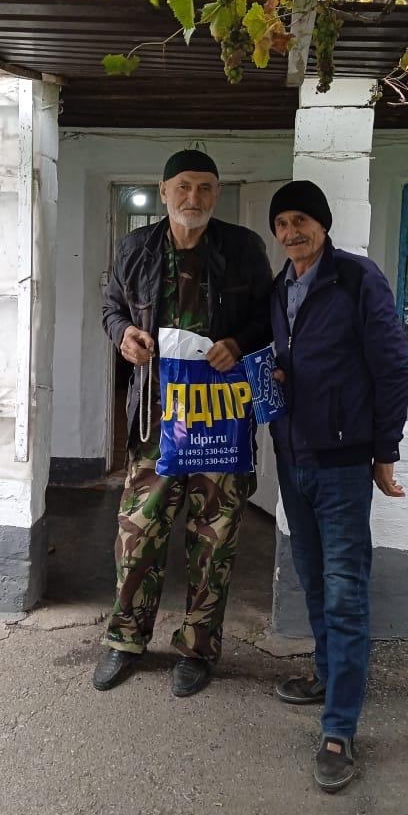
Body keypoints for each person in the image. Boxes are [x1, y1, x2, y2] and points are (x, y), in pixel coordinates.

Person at [95, 149, 273, 698]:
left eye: (205, 187)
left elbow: (271, 318)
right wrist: (123, 335)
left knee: (213, 540)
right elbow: (111, 308)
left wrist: (238, 343)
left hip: (220, 419)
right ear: (164, 190)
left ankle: (197, 649)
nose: (193, 197)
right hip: (156, 419)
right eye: (183, 186)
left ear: (216, 193)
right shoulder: (136, 248)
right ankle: (126, 639)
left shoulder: (243, 249)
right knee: (138, 534)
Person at [268, 180, 408, 793]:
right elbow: (291, 360)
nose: (291, 232)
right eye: (282, 223)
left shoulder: (357, 279)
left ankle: (339, 729)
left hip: (344, 464)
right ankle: (329, 679)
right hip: (293, 459)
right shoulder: (280, 287)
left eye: (301, 220)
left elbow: (394, 369)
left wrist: (384, 452)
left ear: (323, 224)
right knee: (314, 581)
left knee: (345, 593)